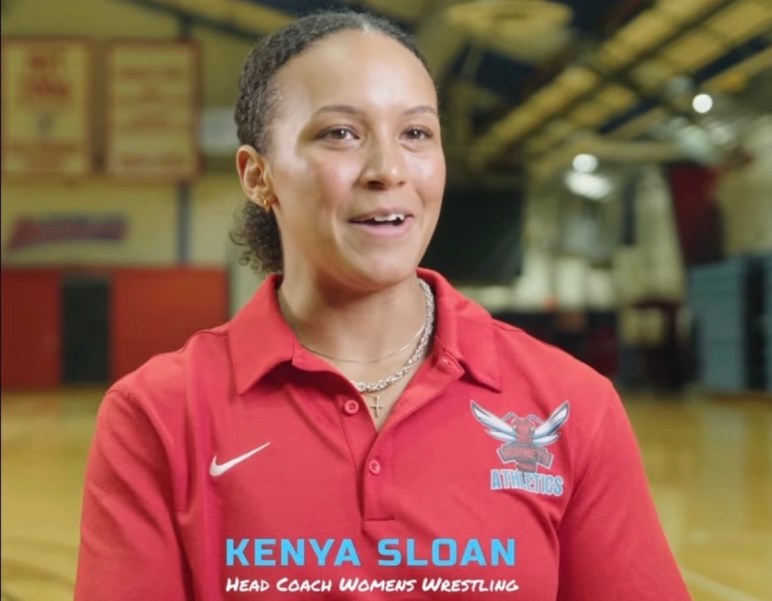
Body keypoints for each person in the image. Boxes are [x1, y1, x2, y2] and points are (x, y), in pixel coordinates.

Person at [75, 10, 692, 601]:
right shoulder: (158, 416)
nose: (388, 169)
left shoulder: (572, 404)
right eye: (340, 134)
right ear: (258, 175)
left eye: (416, 133)